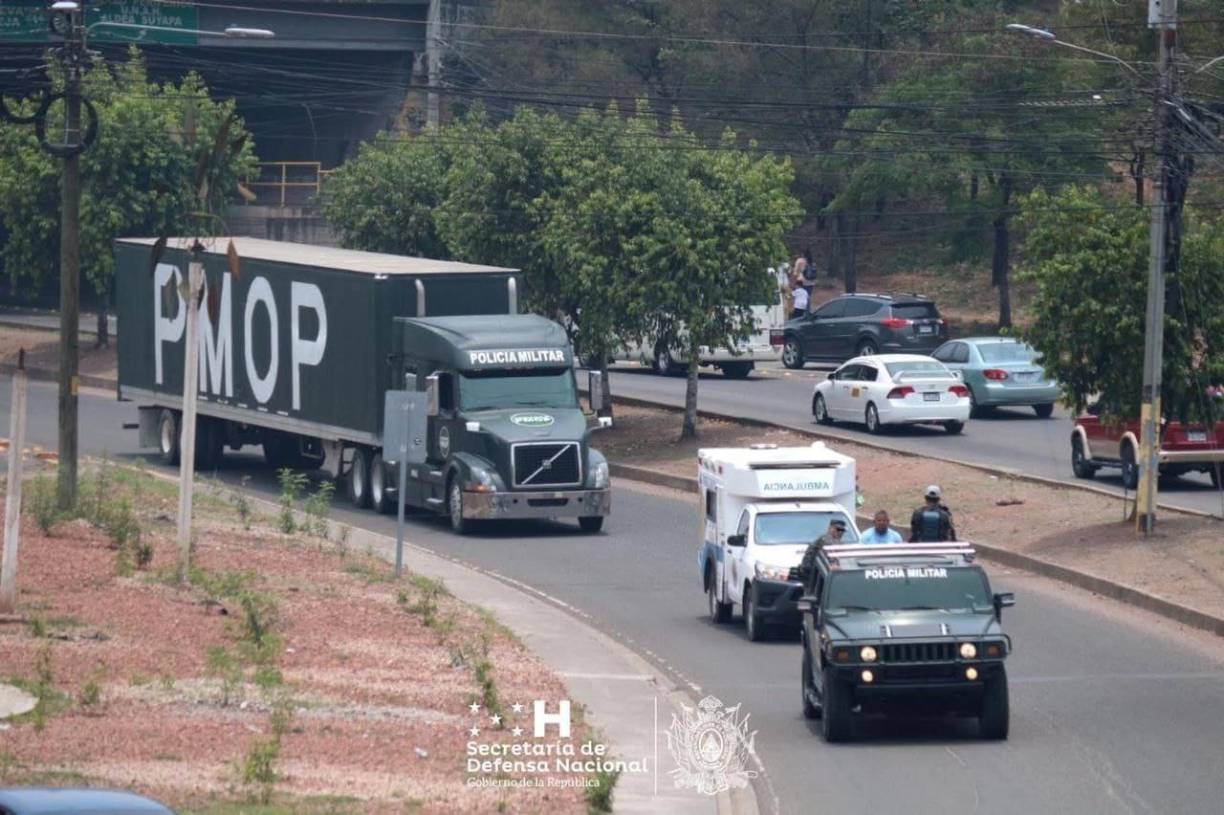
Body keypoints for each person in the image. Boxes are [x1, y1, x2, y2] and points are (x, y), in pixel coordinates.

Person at [796, 518, 847, 592]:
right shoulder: (826, 539)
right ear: (830, 528)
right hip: (811, 575)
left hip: (817, 575)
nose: (840, 532)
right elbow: (831, 556)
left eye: (842, 531)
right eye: (838, 529)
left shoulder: (835, 541)